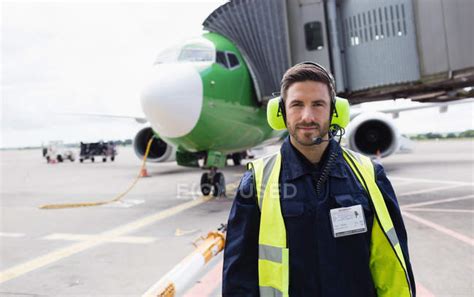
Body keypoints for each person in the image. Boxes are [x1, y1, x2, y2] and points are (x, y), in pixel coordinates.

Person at [222, 62, 416, 297]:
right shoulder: (256, 183)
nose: (307, 116)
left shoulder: (370, 176)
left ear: (335, 111)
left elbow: (392, 266)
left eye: (318, 104)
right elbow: (239, 281)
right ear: (281, 112)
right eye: (296, 105)